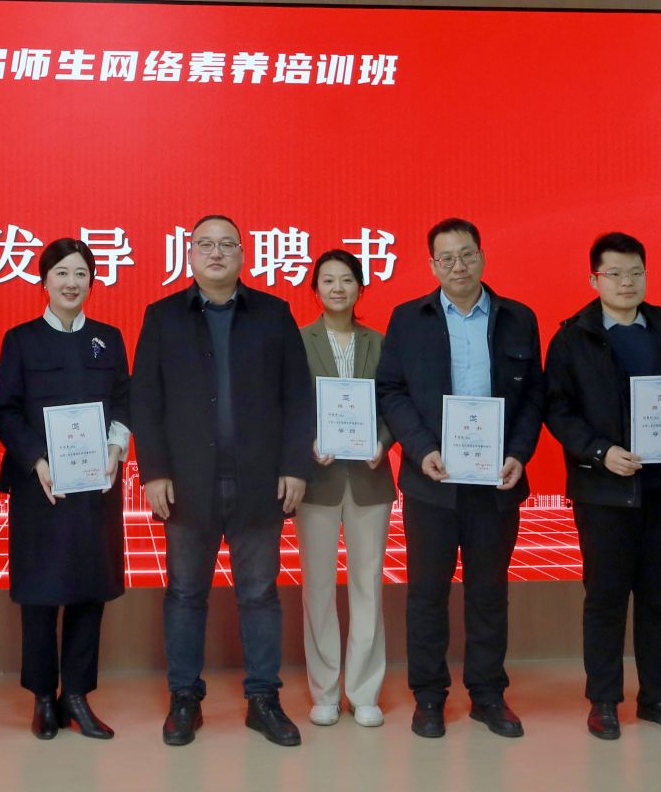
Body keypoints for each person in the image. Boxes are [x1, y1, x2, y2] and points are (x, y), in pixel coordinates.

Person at [131, 214, 314, 748]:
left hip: (260, 481)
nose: (216, 253)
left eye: (226, 245)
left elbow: (297, 398)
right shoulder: (163, 316)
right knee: (185, 593)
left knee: (259, 594)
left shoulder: (274, 314)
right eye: (205, 245)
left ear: (243, 255)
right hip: (187, 483)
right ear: (189, 254)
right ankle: (184, 698)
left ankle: (264, 699)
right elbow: (146, 400)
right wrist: (154, 472)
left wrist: (295, 466)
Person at [377, 217, 543, 741]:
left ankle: (488, 695)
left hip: (496, 483)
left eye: (467, 254)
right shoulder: (409, 319)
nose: (458, 266)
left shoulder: (518, 318)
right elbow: (391, 391)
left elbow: (533, 397)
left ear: (482, 257)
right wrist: (421, 449)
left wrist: (518, 453)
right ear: (432, 266)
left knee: (488, 593)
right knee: (427, 593)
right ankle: (429, 696)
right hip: (432, 481)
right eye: (446, 258)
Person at [543, 231, 661, 741]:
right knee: (606, 599)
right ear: (594, 279)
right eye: (614, 273)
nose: (626, 282)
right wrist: (599, 451)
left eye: (635, 272)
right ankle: (603, 700)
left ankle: (659, 697)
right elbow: (557, 410)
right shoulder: (573, 337)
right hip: (604, 493)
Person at [0, 239, 130, 741]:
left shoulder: (108, 339)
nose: (72, 283)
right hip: (41, 485)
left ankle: (77, 695)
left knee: (90, 589)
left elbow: (124, 400)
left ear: (92, 281)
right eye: (62, 273)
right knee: (41, 593)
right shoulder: (21, 339)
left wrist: (116, 446)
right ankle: (43, 698)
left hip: (96, 483)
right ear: (44, 281)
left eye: (81, 274)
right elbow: (4, 410)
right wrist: (36, 460)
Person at [296, 248, 395, 728]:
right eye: (328, 280)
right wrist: (308, 442)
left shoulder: (380, 342)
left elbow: (395, 401)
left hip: (370, 478)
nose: (338, 288)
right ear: (315, 290)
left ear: (361, 287)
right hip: (316, 480)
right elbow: (288, 404)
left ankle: (364, 690)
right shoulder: (297, 341)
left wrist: (384, 441)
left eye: (347, 280)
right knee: (317, 587)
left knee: (367, 585)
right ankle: (325, 691)